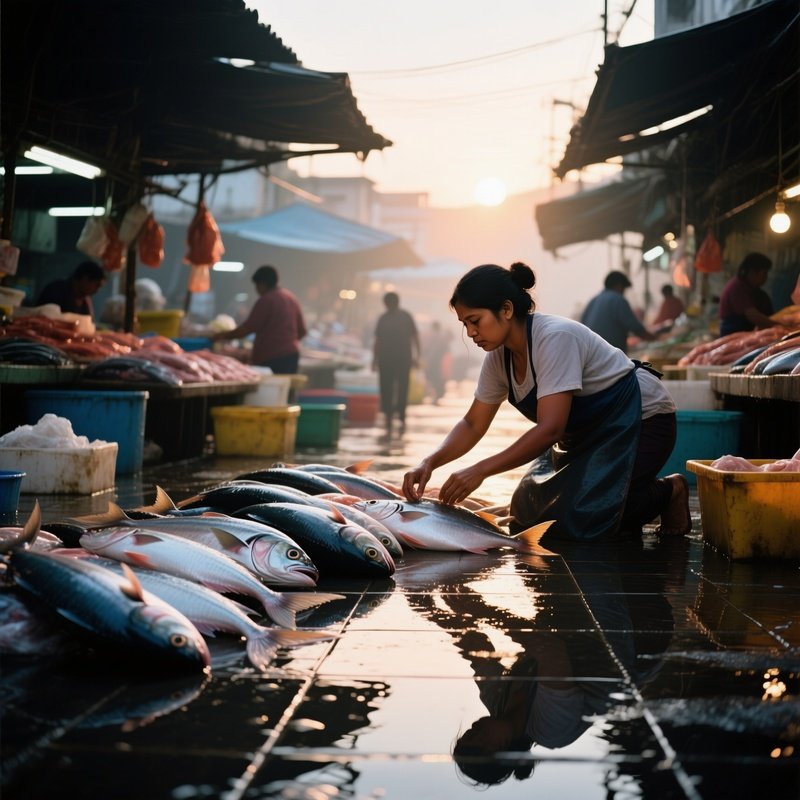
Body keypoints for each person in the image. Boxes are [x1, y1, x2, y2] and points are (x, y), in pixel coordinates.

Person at [402, 262, 691, 542]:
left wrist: (480, 470)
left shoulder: (554, 338)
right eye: (465, 324)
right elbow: (473, 423)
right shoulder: (497, 359)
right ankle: (625, 509)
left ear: (506, 309)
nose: (470, 333)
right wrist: (430, 462)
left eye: (475, 321)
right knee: (528, 511)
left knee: (584, 517)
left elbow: (550, 429)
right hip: (587, 435)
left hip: (643, 419)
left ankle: (669, 491)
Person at [211, 265, 307, 374]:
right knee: (285, 389)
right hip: (292, 355)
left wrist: (222, 336)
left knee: (271, 389)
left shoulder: (267, 300)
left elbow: (247, 329)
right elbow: (302, 331)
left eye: (256, 286)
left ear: (261, 283)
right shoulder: (291, 297)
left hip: (272, 358)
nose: (256, 290)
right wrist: (288, 343)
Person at [372, 291, 420, 430]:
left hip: (391, 359)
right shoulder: (404, 317)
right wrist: (417, 356)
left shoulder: (385, 318)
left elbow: (377, 341)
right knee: (400, 387)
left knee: (388, 387)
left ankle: (392, 415)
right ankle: (398, 415)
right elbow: (415, 338)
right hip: (399, 358)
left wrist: (374, 360)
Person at [580, 270, 655, 353]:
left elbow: (583, 323)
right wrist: (655, 339)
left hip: (590, 353)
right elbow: (635, 327)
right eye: (624, 288)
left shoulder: (594, 300)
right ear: (619, 286)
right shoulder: (618, 299)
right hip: (610, 355)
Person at [718, 252, 774, 337]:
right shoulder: (737, 288)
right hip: (732, 335)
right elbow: (753, 316)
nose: (766, 278)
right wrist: (779, 325)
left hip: (744, 334)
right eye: (764, 273)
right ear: (752, 272)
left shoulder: (755, 291)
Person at [36, 260, 106, 318]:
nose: (97, 290)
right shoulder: (56, 290)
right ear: (85, 279)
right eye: (97, 285)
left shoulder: (85, 301)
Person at [422, 320, 450, 403]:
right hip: (438, 362)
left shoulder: (433, 337)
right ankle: (436, 395)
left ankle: (436, 395)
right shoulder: (440, 338)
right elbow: (446, 349)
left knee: (434, 378)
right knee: (436, 378)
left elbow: (426, 349)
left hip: (434, 362)